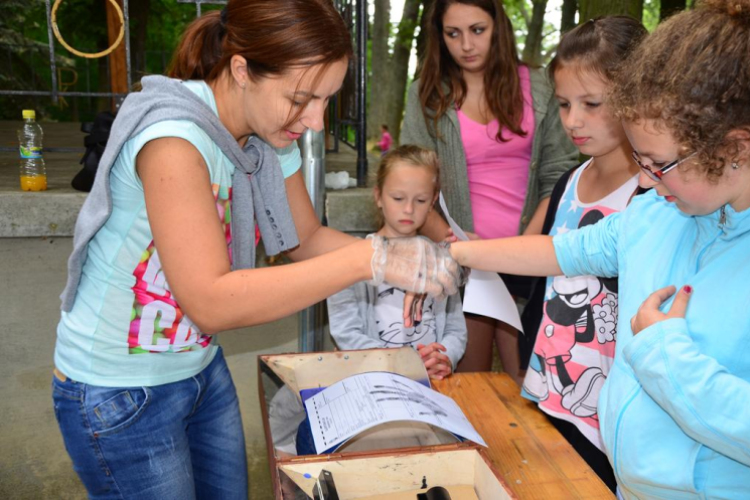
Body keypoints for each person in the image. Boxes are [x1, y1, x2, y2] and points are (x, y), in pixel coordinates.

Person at [50, 1, 464, 498]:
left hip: (197, 368)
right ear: (242, 70)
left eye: (327, 99)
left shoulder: (269, 133)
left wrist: (407, 256)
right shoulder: (174, 140)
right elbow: (210, 301)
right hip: (117, 391)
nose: (314, 121)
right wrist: (368, 258)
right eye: (301, 98)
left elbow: (305, 240)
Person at [446, 0, 750, 495]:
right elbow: (558, 252)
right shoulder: (657, 213)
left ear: (735, 147)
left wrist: (661, 351)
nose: (648, 181)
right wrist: (452, 256)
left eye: (660, 164)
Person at [401, 0, 578, 379]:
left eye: (477, 30)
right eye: (453, 33)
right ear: (439, 36)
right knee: (470, 382)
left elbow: (558, 175)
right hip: (463, 261)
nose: (466, 44)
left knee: (530, 382)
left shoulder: (542, 87)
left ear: (498, 27)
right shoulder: (425, 95)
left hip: (531, 256)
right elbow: (411, 181)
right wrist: (462, 247)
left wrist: (519, 251)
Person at [515, 17, 647, 492]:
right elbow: (530, 276)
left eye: (592, 104)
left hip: (610, 423)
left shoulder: (655, 197)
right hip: (548, 395)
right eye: (565, 104)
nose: (573, 120)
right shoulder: (567, 184)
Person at [327, 145, 467, 380]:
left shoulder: (440, 260)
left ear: (433, 201)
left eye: (421, 200)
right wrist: (403, 363)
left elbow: (455, 329)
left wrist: (444, 358)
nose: (409, 209)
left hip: (432, 382)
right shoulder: (352, 259)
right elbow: (346, 333)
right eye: (398, 198)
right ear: (378, 196)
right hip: (374, 381)